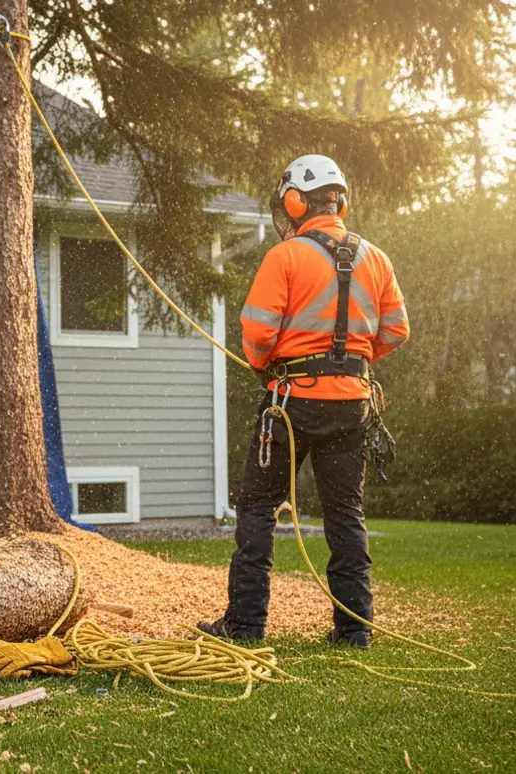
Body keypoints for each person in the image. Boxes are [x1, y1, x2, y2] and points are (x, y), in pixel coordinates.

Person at [198, 155, 409, 648]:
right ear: (341, 199)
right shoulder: (376, 258)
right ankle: (354, 630)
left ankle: (246, 624)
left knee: (257, 507)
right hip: (353, 404)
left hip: (291, 403)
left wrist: (264, 366)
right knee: (345, 513)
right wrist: (351, 362)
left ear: (294, 201)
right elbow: (397, 330)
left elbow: (256, 333)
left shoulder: (285, 256)